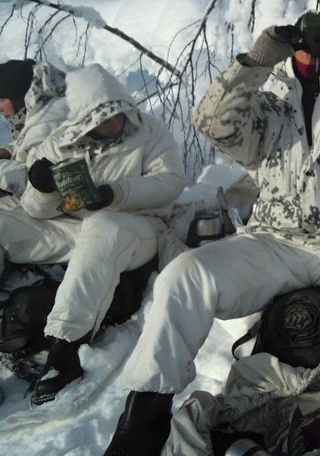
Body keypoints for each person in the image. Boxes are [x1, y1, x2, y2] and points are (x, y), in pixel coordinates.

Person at [103, 13, 320, 456]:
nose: (312, 47)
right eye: (302, 39)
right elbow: (211, 120)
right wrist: (255, 61)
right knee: (183, 275)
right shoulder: (265, 110)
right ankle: (141, 424)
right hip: (273, 243)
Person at [0, 63, 185, 404]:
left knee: (103, 227)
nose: (111, 124)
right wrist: (42, 188)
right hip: (75, 226)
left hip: (138, 227)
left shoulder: (150, 132)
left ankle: (64, 350)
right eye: (100, 119)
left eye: (114, 115)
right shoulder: (63, 141)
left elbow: (171, 181)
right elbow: (34, 209)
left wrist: (117, 193)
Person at [0, 59, 68, 212]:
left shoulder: (46, 126)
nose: (0, 108)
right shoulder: (42, 113)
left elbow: (40, 182)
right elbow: (28, 148)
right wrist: (8, 152)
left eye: (3, 99)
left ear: (21, 95)